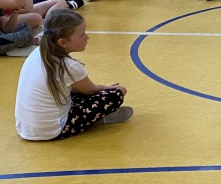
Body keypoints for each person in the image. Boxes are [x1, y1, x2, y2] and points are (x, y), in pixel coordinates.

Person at [14, 9, 132, 140]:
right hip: (52, 130)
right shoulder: (69, 66)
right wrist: (108, 88)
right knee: (117, 93)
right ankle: (95, 118)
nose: (87, 37)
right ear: (62, 42)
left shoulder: (38, 52)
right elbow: (90, 90)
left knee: (72, 90)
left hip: (25, 127)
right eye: (82, 35)